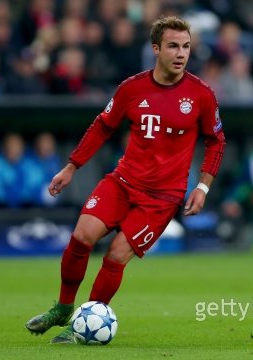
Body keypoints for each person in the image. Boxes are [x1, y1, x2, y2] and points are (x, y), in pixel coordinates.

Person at [25, 16, 225, 344]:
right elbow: (103, 125)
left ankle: (81, 325)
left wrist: (203, 186)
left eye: (186, 47)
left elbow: (217, 140)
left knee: (116, 255)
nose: (181, 53)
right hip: (123, 181)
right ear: (156, 49)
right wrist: (71, 166)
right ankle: (62, 307)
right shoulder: (132, 88)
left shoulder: (200, 95)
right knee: (82, 235)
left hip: (161, 199)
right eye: (173, 46)